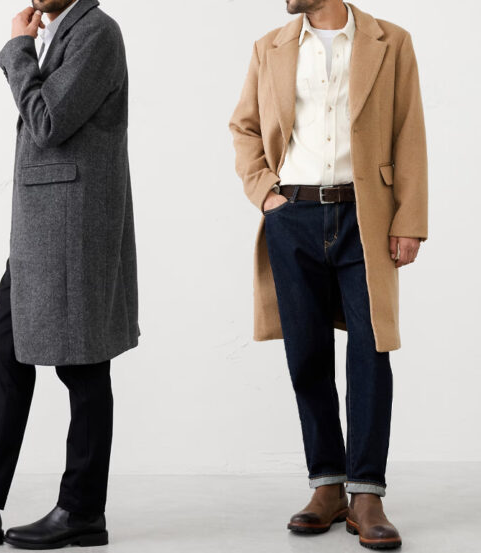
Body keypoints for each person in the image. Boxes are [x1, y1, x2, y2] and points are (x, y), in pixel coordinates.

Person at [0, 0, 139, 548]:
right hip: (42, 231)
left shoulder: (97, 32)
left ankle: (82, 511)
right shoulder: (64, 33)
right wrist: (28, 50)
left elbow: (47, 122)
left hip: (73, 231)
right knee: (5, 355)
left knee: (83, 370)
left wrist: (18, 50)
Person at [229, 0, 427, 549]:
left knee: (371, 349)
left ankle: (367, 493)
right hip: (292, 217)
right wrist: (266, 195)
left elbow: (409, 130)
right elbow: (244, 126)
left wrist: (410, 219)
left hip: (367, 217)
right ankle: (327, 484)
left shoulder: (391, 41)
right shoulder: (269, 47)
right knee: (306, 354)